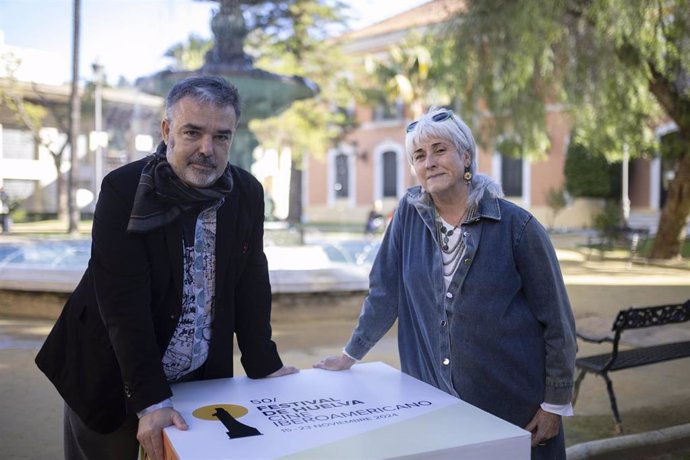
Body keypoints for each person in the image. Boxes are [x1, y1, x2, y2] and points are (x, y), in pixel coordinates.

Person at [36, 76, 298, 460]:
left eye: (221, 136)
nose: (207, 149)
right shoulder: (124, 189)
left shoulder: (247, 193)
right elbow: (122, 305)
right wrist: (151, 400)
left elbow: (251, 281)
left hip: (199, 379)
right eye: (192, 132)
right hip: (111, 371)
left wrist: (264, 365)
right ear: (167, 130)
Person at [315, 107, 577, 459]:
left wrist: (554, 405)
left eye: (440, 150)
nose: (430, 162)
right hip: (434, 405)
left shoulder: (518, 228)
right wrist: (350, 355)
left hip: (512, 408)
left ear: (465, 156)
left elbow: (557, 323)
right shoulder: (407, 216)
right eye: (419, 156)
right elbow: (384, 293)